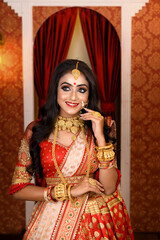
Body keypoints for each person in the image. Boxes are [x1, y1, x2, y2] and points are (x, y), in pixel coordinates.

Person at [9, 59, 134, 239]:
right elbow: (18, 189)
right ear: (55, 91)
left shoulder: (103, 126)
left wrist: (100, 137)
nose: (73, 97)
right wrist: (69, 192)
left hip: (95, 220)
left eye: (81, 90)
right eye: (66, 88)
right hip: (51, 219)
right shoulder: (36, 130)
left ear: (89, 95)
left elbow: (108, 188)